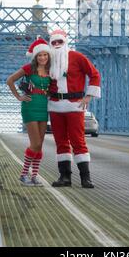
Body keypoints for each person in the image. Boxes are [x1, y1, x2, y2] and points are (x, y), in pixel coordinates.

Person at [48, 29, 101, 189]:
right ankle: (65, 177)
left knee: (78, 141)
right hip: (55, 105)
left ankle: (86, 178)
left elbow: (94, 74)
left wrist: (88, 96)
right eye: (53, 42)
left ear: (65, 42)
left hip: (75, 105)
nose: (57, 45)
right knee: (61, 142)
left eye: (60, 42)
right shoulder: (47, 59)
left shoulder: (77, 57)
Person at [6, 38, 52, 186]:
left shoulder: (51, 71)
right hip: (30, 107)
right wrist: (19, 97)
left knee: (40, 145)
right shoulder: (28, 68)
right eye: (40, 55)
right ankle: (24, 174)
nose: (43, 58)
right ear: (35, 57)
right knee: (35, 142)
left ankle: (34, 176)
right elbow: (10, 80)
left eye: (45, 55)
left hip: (44, 108)